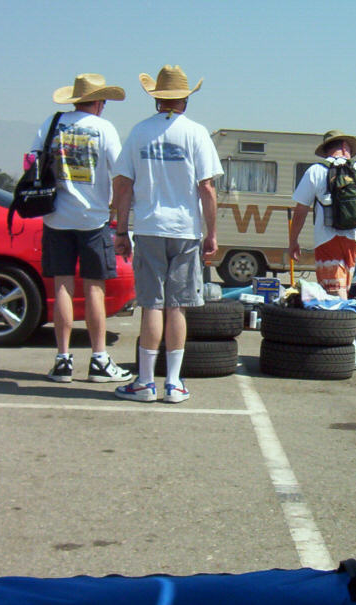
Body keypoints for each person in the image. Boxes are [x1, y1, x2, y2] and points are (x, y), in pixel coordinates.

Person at [112, 65, 222, 403]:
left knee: (152, 305)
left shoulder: (139, 132)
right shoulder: (197, 133)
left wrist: (121, 229)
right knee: (178, 306)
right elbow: (207, 187)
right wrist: (211, 233)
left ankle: (146, 382)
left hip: (148, 227)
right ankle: (174, 383)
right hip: (185, 230)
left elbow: (123, 185)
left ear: (156, 98)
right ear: (185, 99)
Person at [38, 73, 133, 384]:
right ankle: (99, 359)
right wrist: (120, 215)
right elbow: (120, 176)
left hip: (56, 217)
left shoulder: (53, 123)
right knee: (94, 287)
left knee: (62, 286)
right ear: (98, 102)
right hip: (93, 219)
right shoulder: (104, 129)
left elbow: (30, 162)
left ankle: (62, 360)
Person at [288, 130, 356, 367]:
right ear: (346, 148)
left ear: (327, 149)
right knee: (340, 290)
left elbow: (300, 210)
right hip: (354, 239)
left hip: (327, 239)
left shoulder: (316, 171)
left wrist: (293, 241)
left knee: (336, 295)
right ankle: (338, 345)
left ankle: (350, 349)